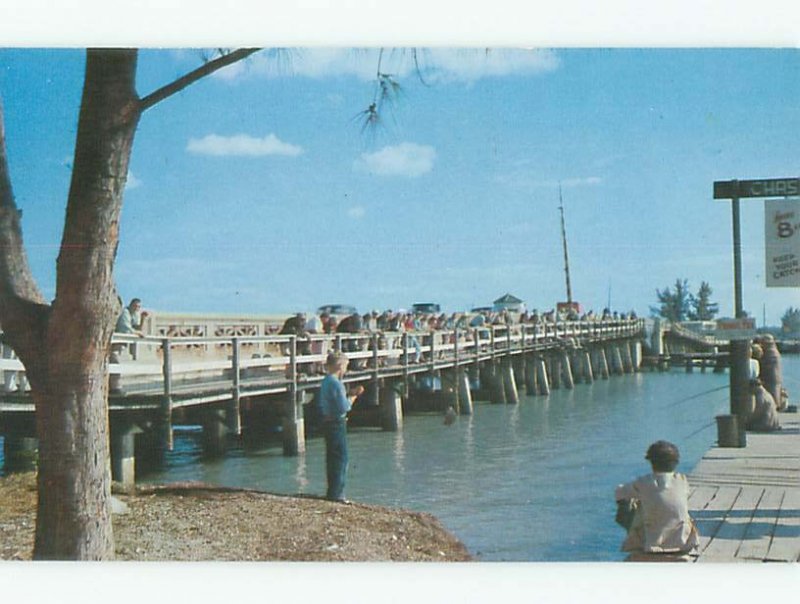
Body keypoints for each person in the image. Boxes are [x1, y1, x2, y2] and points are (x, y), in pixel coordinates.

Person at [614, 440, 699, 557]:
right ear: (676, 462)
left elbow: (619, 492)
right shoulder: (682, 480)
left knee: (633, 502)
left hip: (653, 541)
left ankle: (636, 542)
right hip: (682, 540)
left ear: (651, 462)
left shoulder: (643, 482)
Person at [317, 352, 364, 502]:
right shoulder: (336, 383)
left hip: (327, 421)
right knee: (340, 458)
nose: (345, 369)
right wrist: (353, 396)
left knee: (332, 457)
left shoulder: (326, 381)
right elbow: (344, 407)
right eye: (345, 366)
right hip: (337, 422)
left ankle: (333, 492)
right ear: (339, 365)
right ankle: (337, 494)